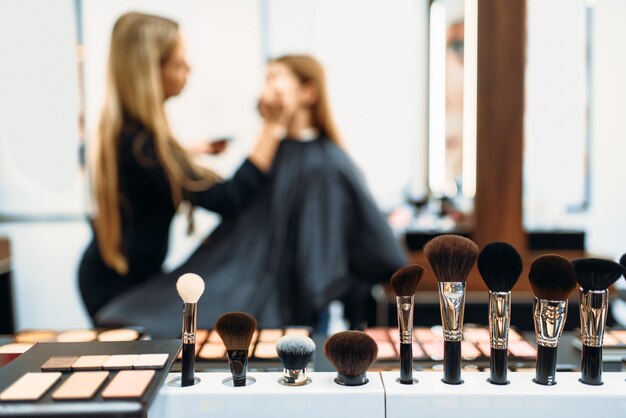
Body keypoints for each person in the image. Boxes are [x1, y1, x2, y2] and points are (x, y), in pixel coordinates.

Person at [96, 55, 407, 336]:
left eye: (275, 77)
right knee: (138, 319)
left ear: (308, 93)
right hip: (248, 286)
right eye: (265, 79)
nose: (267, 87)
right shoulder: (276, 153)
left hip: (301, 301)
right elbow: (234, 200)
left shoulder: (328, 162)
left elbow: (351, 245)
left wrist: (324, 282)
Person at [78, 12, 285, 320]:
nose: (189, 68)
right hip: (119, 291)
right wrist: (274, 127)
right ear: (150, 72)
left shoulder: (129, 132)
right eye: (178, 63)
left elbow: (151, 171)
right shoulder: (146, 148)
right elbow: (229, 198)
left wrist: (188, 152)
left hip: (116, 276)